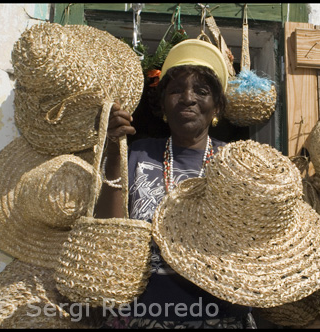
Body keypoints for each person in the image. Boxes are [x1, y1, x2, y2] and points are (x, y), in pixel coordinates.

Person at [95, 39, 255, 329]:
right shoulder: (139, 154)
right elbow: (108, 230)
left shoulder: (237, 162)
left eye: (201, 91)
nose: (188, 98)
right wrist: (113, 150)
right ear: (163, 103)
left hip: (221, 317)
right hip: (142, 315)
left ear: (217, 105)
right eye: (176, 90)